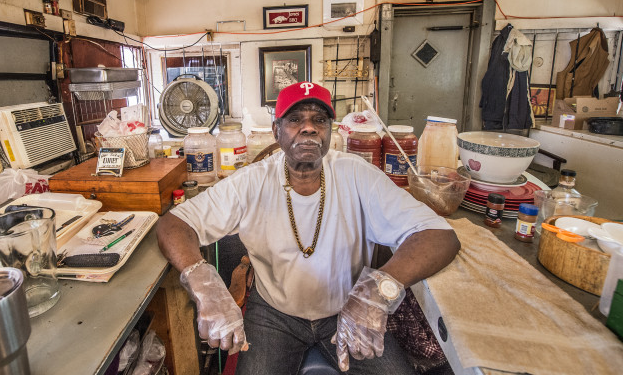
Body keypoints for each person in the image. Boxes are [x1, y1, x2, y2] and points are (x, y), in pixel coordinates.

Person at [156, 82, 461, 374]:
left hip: (349, 309)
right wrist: (203, 284)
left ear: (331, 131)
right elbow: (174, 224)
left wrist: (379, 290)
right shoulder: (250, 181)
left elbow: (440, 237)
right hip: (273, 314)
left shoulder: (359, 176)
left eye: (319, 119)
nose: (309, 127)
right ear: (277, 131)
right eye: (295, 119)